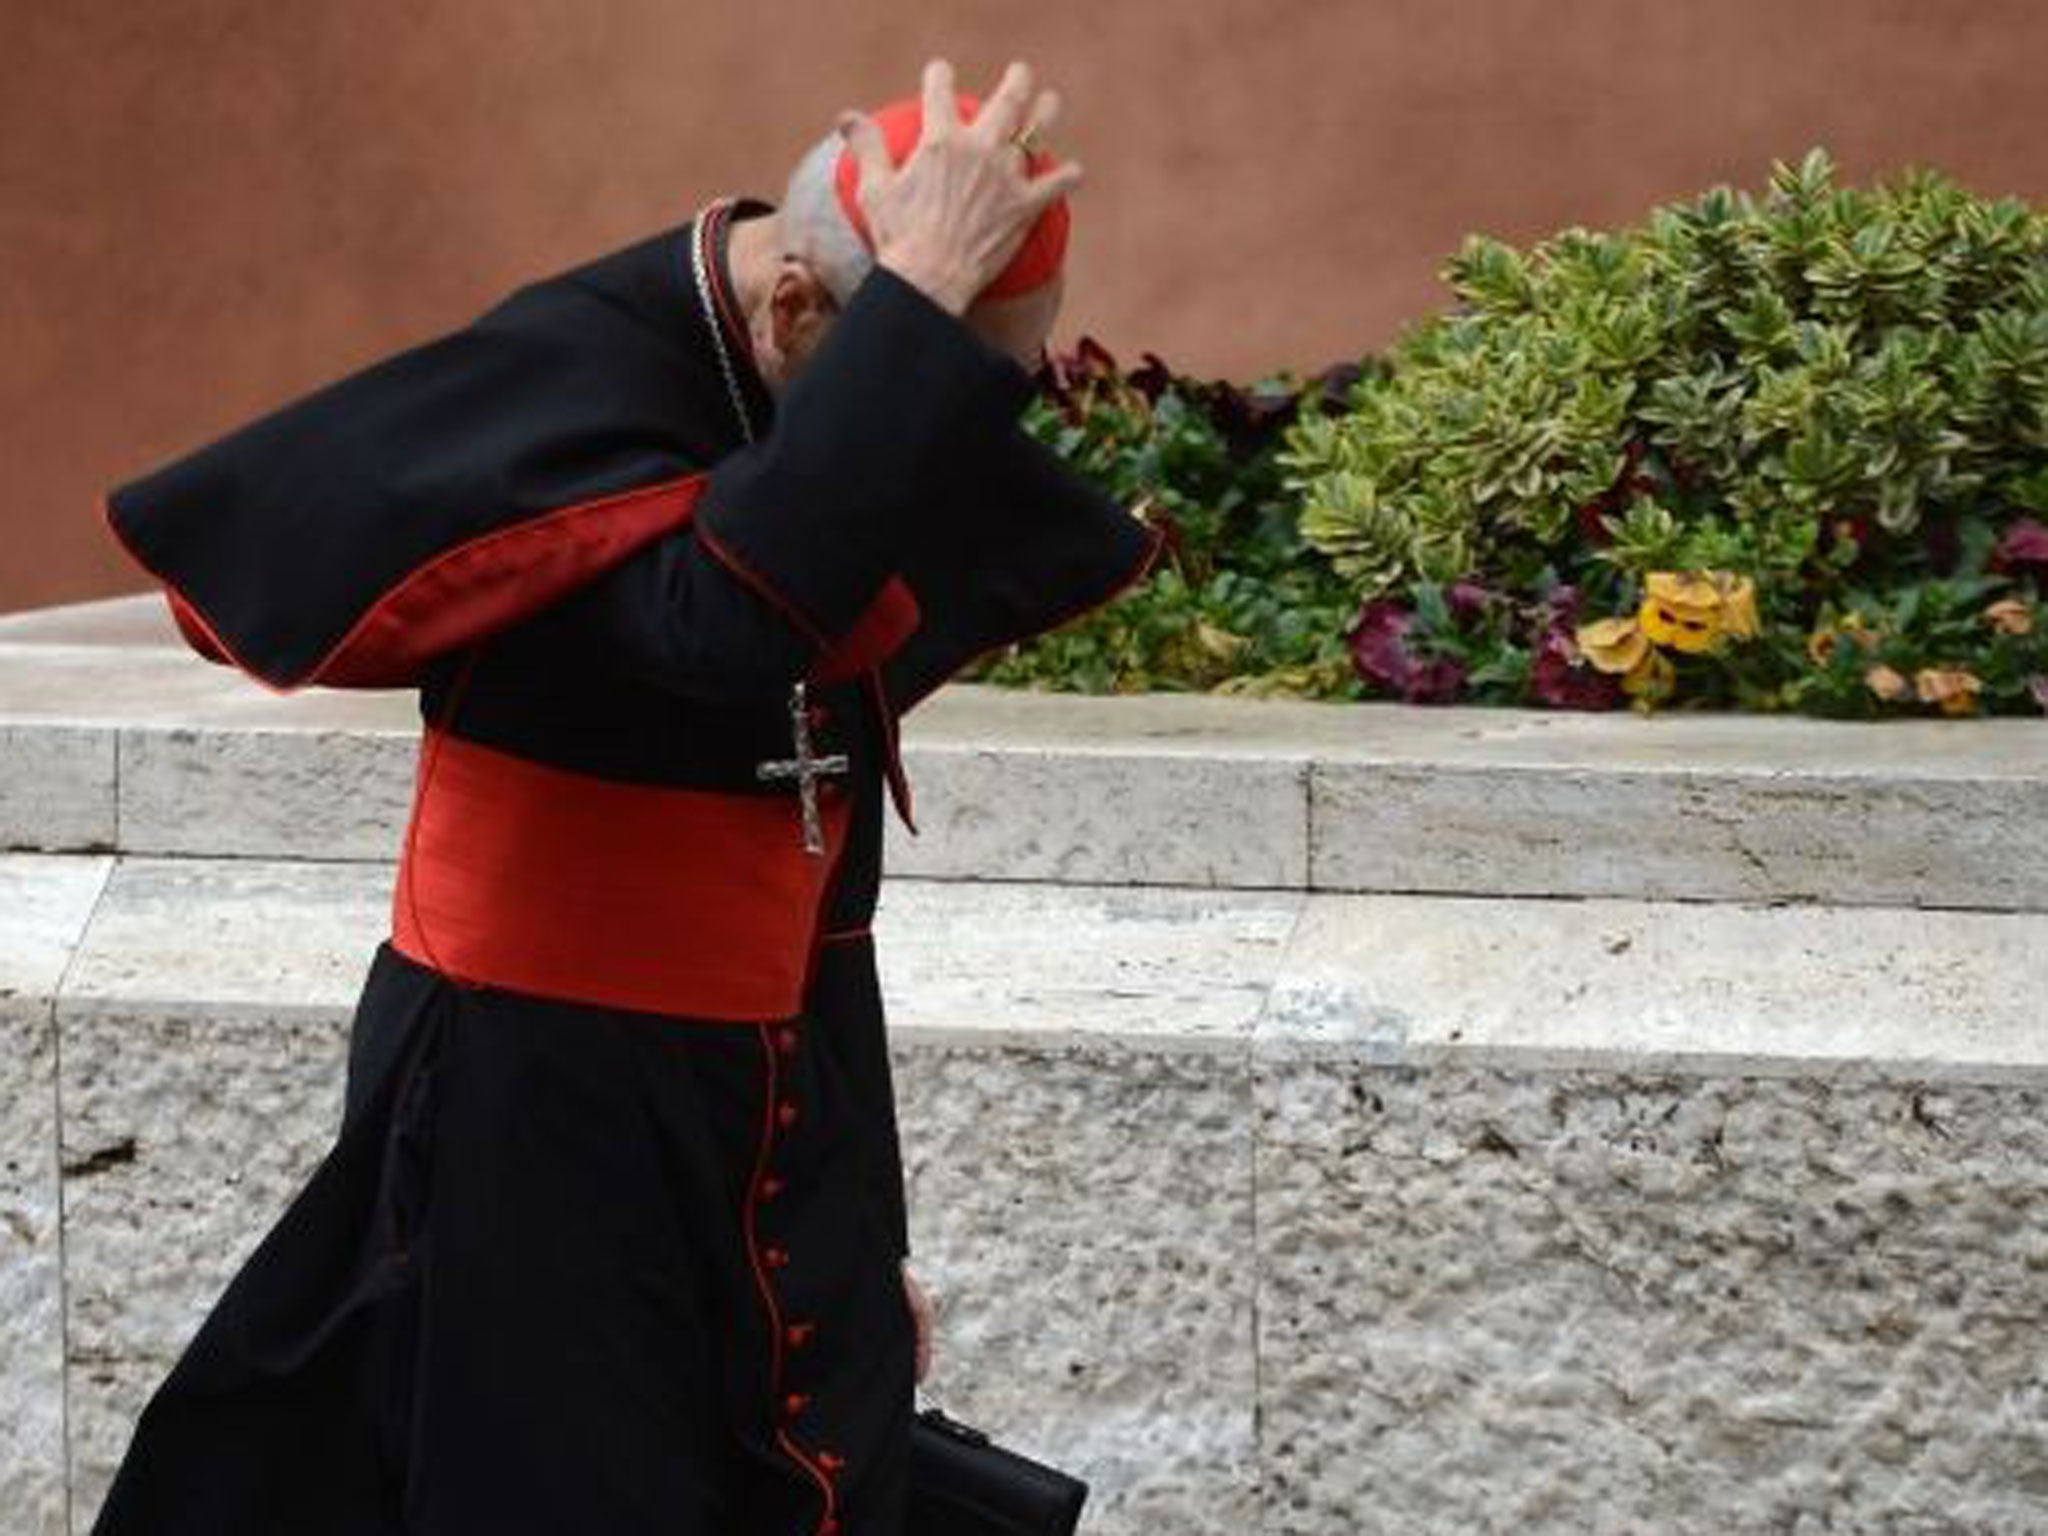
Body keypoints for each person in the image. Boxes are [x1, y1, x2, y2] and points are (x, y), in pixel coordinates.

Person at [91, 58, 1159, 1536]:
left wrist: (860, 1238)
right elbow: (714, 631)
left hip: (752, 1142)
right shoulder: (572, 394)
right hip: (524, 1148)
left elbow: (819, 916)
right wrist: (919, 301)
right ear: (798, 313)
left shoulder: (821, 446)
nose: (945, 445)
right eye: (920, 387)